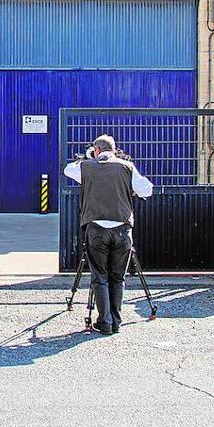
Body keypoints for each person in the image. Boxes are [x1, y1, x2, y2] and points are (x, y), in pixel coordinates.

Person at [63, 134, 153, 335]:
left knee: (100, 276)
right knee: (117, 277)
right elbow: (147, 190)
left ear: (96, 150)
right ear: (114, 150)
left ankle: (104, 322)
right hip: (122, 229)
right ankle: (116, 321)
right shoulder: (127, 167)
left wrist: (87, 158)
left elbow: (67, 169)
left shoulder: (86, 167)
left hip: (96, 228)